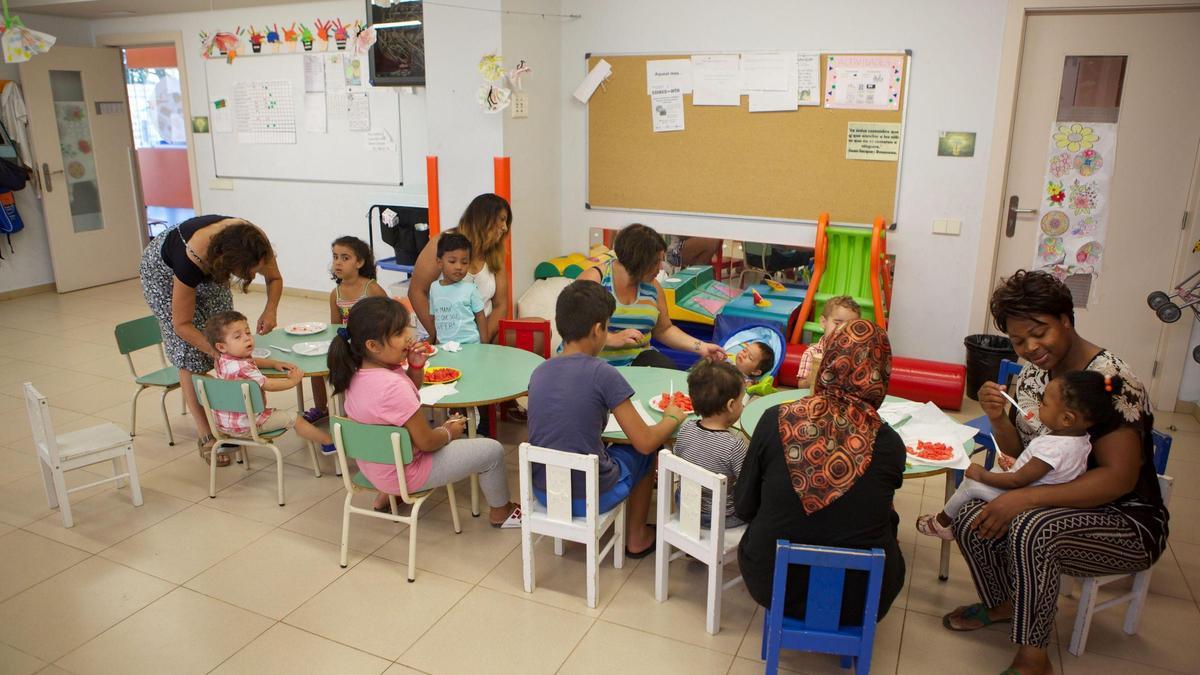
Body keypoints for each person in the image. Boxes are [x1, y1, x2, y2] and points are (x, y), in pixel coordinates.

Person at [942, 270, 1168, 675]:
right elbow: (1025, 454)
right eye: (1018, 340)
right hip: (1049, 500)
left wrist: (1023, 497)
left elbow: (1118, 479)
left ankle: (1034, 657)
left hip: (1125, 520)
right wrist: (997, 420)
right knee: (970, 513)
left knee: (1030, 525)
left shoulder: (1113, 381)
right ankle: (1006, 603)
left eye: (1038, 332)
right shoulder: (1033, 375)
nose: (1030, 347)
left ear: (1066, 318)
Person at [735, 319, 905, 624]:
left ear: (828, 361)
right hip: (863, 597)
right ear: (881, 372)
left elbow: (745, 504)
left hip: (772, 579)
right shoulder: (890, 444)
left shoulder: (775, 419)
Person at [329, 296, 522, 527]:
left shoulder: (355, 373)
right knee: (491, 450)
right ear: (373, 345)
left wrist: (416, 366)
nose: (409, 337)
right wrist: (449, 431)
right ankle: (501, 511)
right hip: (405, 472)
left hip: (373, 469)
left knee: (407, 436)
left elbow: (400, 400)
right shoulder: (392, 386)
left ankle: (390, 495)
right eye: (399, 333)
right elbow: (427, 442)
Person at [527, 280, 685, 557]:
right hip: (591, 496)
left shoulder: (540, 371)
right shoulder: (604, 374)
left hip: (545, 491)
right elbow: (645, 442)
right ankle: (636, 536)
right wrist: (671, 417)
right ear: (598, 330)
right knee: (646, 452)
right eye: (609, 327)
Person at [139, 215, 283, 466]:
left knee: (224, 328)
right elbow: (181, 325)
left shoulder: (254, 241)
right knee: (191, 355)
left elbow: (274, 278)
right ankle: (206, 434)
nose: (253, 274)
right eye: (248, 271)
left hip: (211, 260)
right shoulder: (190, 260)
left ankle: (231, 416)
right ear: (229, 263)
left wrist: (270, 310)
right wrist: (219, 353)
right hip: (163, 270)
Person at [917, 370, 1120, 540]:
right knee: (994, 473)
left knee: (970, 486)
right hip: (1040, 493)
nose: (1039, 405)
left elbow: (1017, 481)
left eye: (1045, 403)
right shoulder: (1080, 441)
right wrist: (1015, 462)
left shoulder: (1054, 448)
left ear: (1066, 419)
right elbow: (1046, 471)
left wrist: (981, 474)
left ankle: (943, 523)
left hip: (1022, 498)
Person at [577, 223, 724, 368]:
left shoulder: (653, 287)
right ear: (638, 261)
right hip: (597, 365)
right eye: (656, 262)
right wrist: (609, 338)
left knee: (665, 368)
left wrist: (701, 346)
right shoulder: (595, 280)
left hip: (638, 364)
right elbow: (574, 328)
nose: (660, 268)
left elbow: (664, 329)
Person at [203, 311, 334, 454]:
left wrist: (273, 363)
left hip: (224, 424)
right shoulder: (244, 368)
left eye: (247, 332)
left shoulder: (222, 360)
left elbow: (252, 361)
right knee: (295, 418)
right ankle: (328, 443)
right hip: (248, 424)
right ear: (221, 346)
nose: (247, 339)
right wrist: (292, 381)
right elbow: (269, 385)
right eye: (238, 336)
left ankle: (231, 442)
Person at [304, 236, 388, 424]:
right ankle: (321, 408)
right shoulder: (336, 294)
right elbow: (335, 326)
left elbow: (390, 316)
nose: (338, 263)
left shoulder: (371, 288)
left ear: (359, 262)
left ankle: (359, 409)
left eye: (345, 258)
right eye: (335, 257)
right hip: (349, 344)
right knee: (318, 367)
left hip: (370, 346)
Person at [410, 194, 510, 344]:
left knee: (538, 331)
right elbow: (416, 291)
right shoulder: (442, 242)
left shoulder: (495, 252)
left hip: (482, 334)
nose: (505, 227)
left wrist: (482, 340)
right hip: (445, 336)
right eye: (502, 220)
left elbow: (501, 305)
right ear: (484, 219)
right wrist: (437, 334)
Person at [672, 360, 748, 528]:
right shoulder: (734, 446)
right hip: (720, 517)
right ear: (730, 405)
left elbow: (679, 458)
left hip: (684, 506)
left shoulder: (685, 429)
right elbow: (747, 485)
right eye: (741, 400)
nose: (742, 405)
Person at [428, 232, 488, 345]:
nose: (459, 267)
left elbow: (481, 318)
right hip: (444, 347)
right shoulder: (434, 288)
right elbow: (433, 318)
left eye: (464, 262)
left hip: (471, 346)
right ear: (439, 263)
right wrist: (434, 342)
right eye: (452, 261)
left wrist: (485, 346)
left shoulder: (471, 289)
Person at [795, 295, 861, 390]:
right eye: (838, 323)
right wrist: (811, 377)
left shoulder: (856, 354)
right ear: (823, 322)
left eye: (851, 326)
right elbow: (801, 386)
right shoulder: (812, 353)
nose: (843, 330)